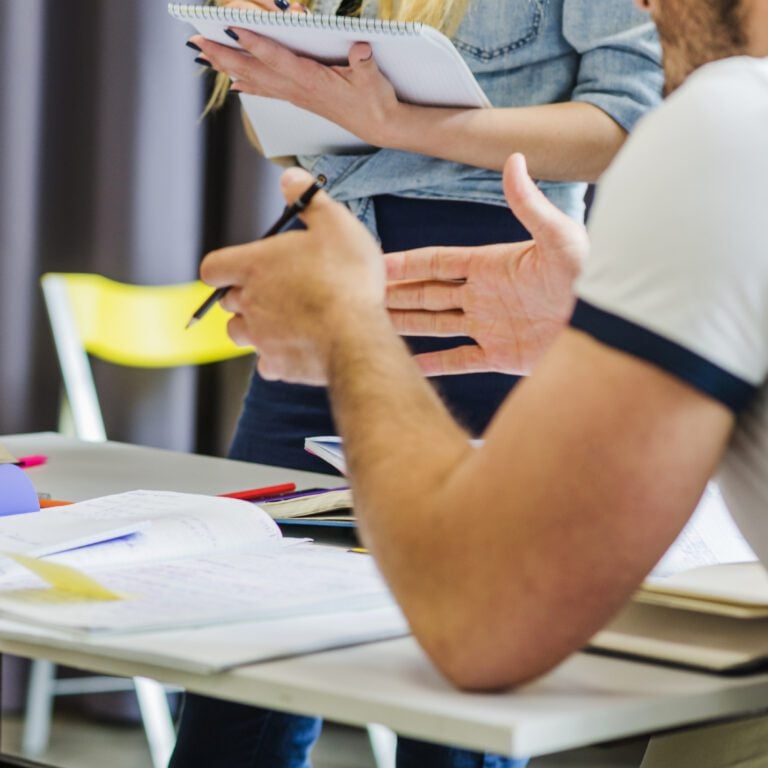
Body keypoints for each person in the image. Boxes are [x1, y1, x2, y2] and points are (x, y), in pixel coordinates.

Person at [190, 0, 768, 765]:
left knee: (452, 714)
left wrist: (354, 319)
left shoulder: (728, 126)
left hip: (484, 264)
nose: (642, 3)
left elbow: (484, 625)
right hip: (365, 248)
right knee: (239, 623)